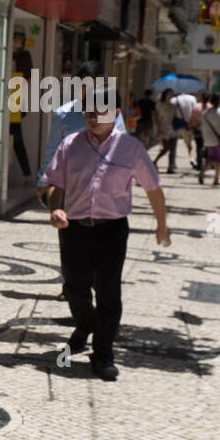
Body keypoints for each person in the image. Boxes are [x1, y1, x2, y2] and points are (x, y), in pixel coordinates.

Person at [43, 87, 171, 381]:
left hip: (112, 229)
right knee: (75, 288)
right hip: (74, 227)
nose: (92, 117)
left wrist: (162, 225)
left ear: (115, 113)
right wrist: (55, 209)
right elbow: (55, 184)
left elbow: (153, 189)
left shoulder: (131, 148)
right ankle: (86, 324)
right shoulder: (70, 145)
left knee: (109, 291)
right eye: (88, 112)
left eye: (99, 112)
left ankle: (103, 354)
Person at [36, 60, 127, 205]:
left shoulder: (111, 113)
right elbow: (53, 151)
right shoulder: (63, 114)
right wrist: (43, 182)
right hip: (71, 187)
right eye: (85, 85)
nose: (90, 90)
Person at [8, 29, 34, 177]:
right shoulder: (5, 52)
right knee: (13, 138)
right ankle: (25, 174)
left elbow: (28, 78)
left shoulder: (24, 56)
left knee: (16, 138)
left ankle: (25, 174)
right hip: (5, 98)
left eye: (20, 41)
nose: (17, 44)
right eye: (15, 39)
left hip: (15, 100)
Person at [199, 92, 220, 186]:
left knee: (210, 158)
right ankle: (216, 178)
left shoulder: (205, 112)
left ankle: (202, 173)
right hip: (219, 140)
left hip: (208, 139)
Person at [151, 88, 179, 172]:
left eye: (172, 94)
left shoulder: (173, 106)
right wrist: (158, 128)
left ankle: (170, 167)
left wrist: (177, 108)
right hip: (164, 129)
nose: (171, 96)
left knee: (173, 149)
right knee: (165, 148)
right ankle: (155, 161)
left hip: (173, 129)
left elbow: (175, 117)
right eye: (169, 94)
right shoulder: (159, 105)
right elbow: (156, 118)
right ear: (165, 95)